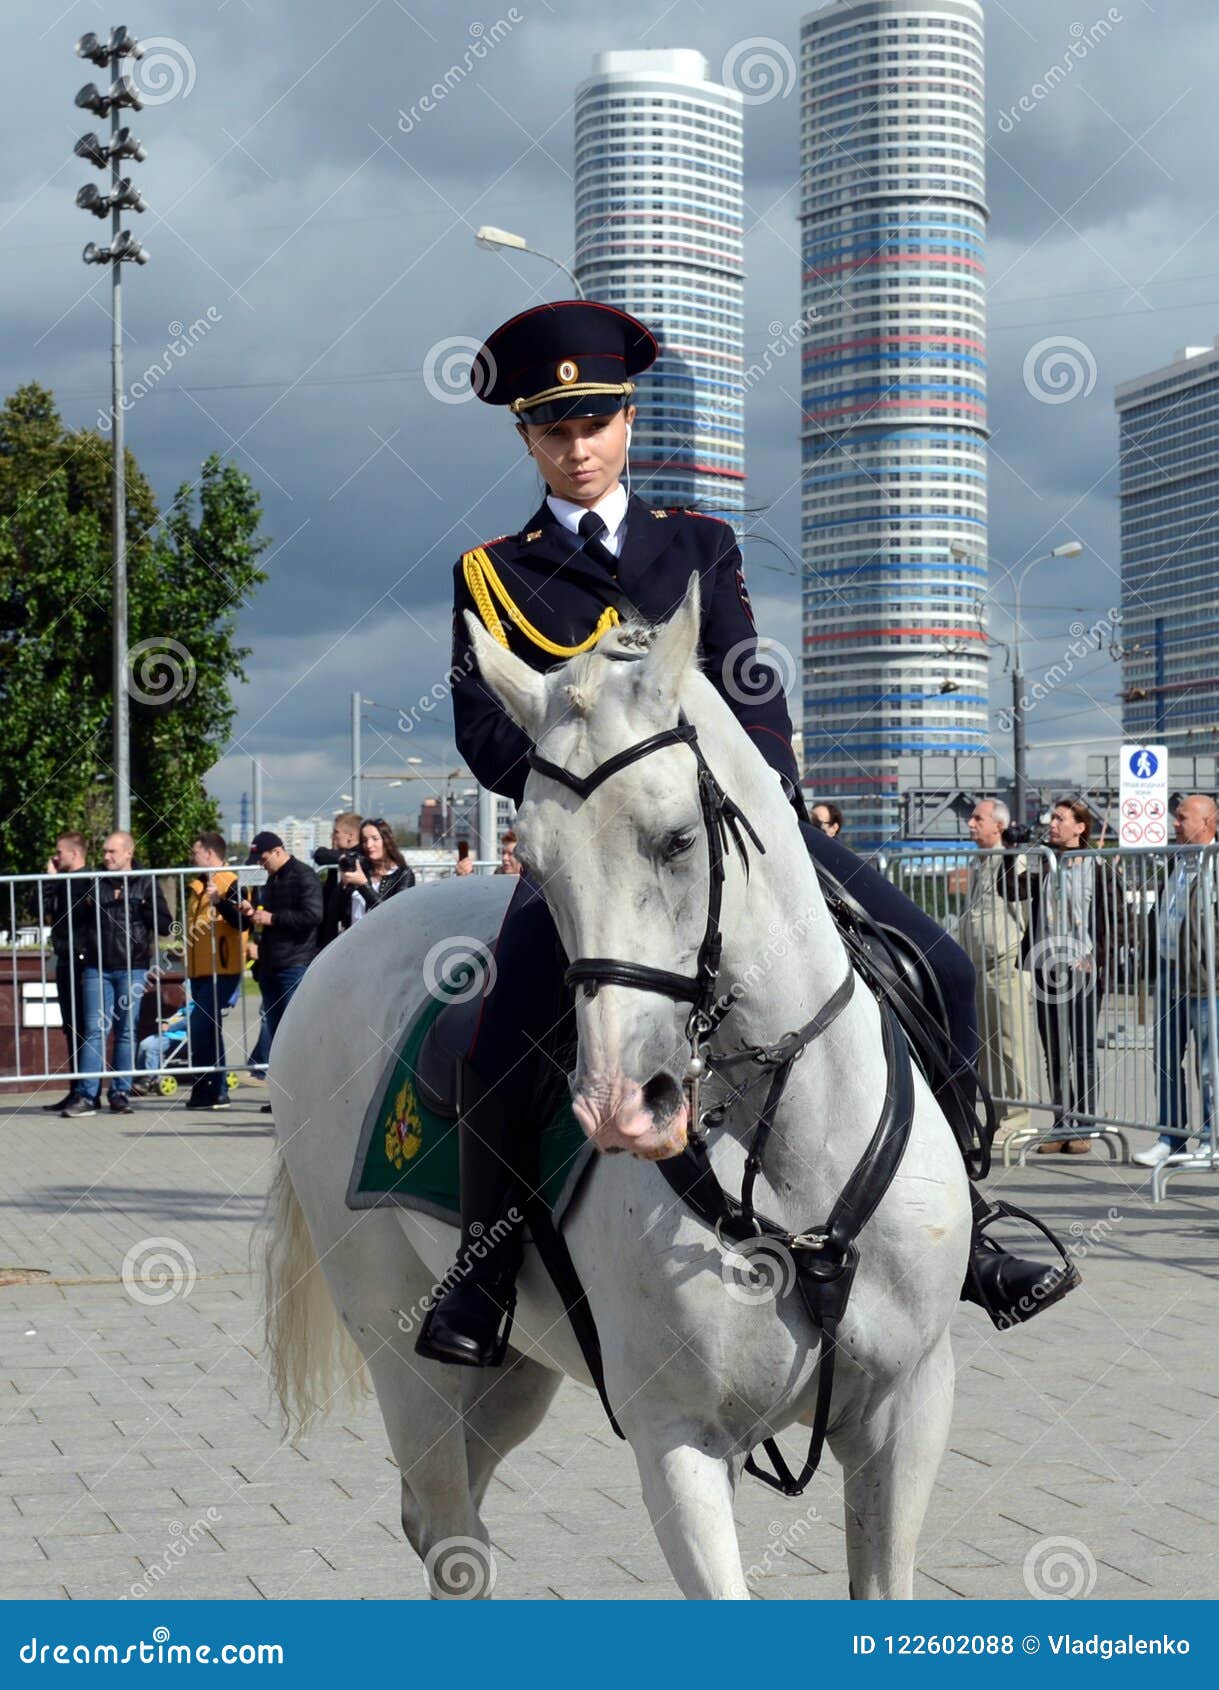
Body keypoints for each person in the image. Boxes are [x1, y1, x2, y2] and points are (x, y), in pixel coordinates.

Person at [414, 298, 1076, 1368]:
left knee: (943, 966)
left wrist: (767, 785)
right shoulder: (493, 575)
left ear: (627, 422)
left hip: (736, 830)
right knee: (496, 1043)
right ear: (526, 439)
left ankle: (974, 1224)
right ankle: (484, 1275)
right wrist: (576, 783)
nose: (577, 447)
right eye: (552, 429)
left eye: (594, 422)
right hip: (595, 855)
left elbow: (751, 689)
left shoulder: (698, 545)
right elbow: (483, 728)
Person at [1022, 798, 1120, 1154]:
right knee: (1055, 1052)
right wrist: (1013, 850)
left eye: (1061, 819)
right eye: (1052, 819)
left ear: (1080, 827)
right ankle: (1060, 1124)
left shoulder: (1099, 866)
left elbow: (1118, 918)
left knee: (1081, 1050)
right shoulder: (1045, 862)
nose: (1053, 824)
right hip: (1048, 968)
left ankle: (1086, 1125)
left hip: (1082, 971)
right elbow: (1012, 889)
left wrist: (1097, 958)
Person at [1134, 794, 1219, 1168]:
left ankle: (1211, 1136)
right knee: (1166, 1059)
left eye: (1183, 818)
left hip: (1205, 978)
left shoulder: (1214, 863)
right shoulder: (1177, 861)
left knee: (1209, 1063)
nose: (1175, 824)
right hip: (1170, 972)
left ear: (1208, 822)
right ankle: (1172, 1137)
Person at [63, 832, 172, 1117]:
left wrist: (142, 906)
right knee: (95, 1030)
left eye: (112, 852)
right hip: (98, 966)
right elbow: (73, 918)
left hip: (132, 966)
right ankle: (87, 1095)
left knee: (127, 1031)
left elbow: (165, 924)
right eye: (104, 851)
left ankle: (120, 1092)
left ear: (128, 853)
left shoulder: (146, 881)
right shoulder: (94, 881)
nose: (106, 857)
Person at [218, 831, 322, 1111]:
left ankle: (303, 1097)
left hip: (294, 964)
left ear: (278, 851)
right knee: (277, 1037)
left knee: (295, 1033)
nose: (260, 864)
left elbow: (313, 915)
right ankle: (281, 1097)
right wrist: (251, 911)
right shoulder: (269, 878)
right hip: (270, 965)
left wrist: (272, 918)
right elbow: (259, 916)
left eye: (263, 859)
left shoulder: (303, 876)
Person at [961, 800, 1035, 1143]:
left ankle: (1018, 1119)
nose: (971, 824)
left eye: (979, 818)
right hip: (979, 965)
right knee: (988, 1047)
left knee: (1010, 1044)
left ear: (999, 826)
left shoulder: (1013, 861)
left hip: (1005, 964)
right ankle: (997, 1115)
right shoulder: (978, 862)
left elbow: (1027, 915)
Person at [182, 831, 244, 1111]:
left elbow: (242, 921)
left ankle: (207, 1085)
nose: (192, 857)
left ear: (209, 853)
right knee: (209, 1029)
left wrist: (221, 900)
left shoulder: (231, 881)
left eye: (195, 852)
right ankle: (214, 1090)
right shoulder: (197, 885)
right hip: (200, 969)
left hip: (223, 967)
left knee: (199, 1026)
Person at [42, 831, 90, 1113]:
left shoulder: (87, 880)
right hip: (64, 958)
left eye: (59, 852)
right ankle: (75, 1089)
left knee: (83, 1026)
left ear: (74, 853)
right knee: (70, 1026)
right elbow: (46, 911)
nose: (55, 857)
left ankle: (85, 1090)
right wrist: (51, 882)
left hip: (82, 960)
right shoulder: (61, 882)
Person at [341, 818, 415, 921]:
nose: (369, 845)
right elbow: (339, 911)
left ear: (386, 840)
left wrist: (363, 885)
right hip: (355, 935)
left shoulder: (403, 874)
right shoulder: (360, 870)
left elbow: (393, 914)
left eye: (375, 839)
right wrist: (343, 887)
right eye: (365, 840)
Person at [314, 812, 362, 950]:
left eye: (336, 832)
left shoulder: (361, 858)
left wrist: (344, 857)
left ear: (351, 836)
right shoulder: (337, 857)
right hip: (329, 925)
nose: (333, 836)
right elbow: (320, 854)